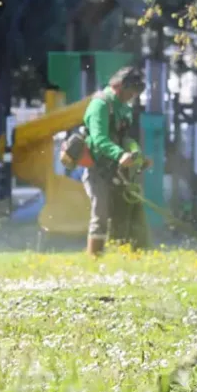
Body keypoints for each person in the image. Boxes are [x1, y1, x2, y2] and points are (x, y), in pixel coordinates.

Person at [81, 66, 152, 257]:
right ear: (119, 85)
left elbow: (126, 138)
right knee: (101, 215)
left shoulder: (124, 108)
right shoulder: (100, 104)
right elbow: (99, 139)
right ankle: (93, 259)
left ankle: (125, 255)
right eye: (131, 91)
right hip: (98, 169)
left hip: (117, 170)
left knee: (126, 212)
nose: (132, 96)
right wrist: (120, 154)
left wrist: (137, 156)